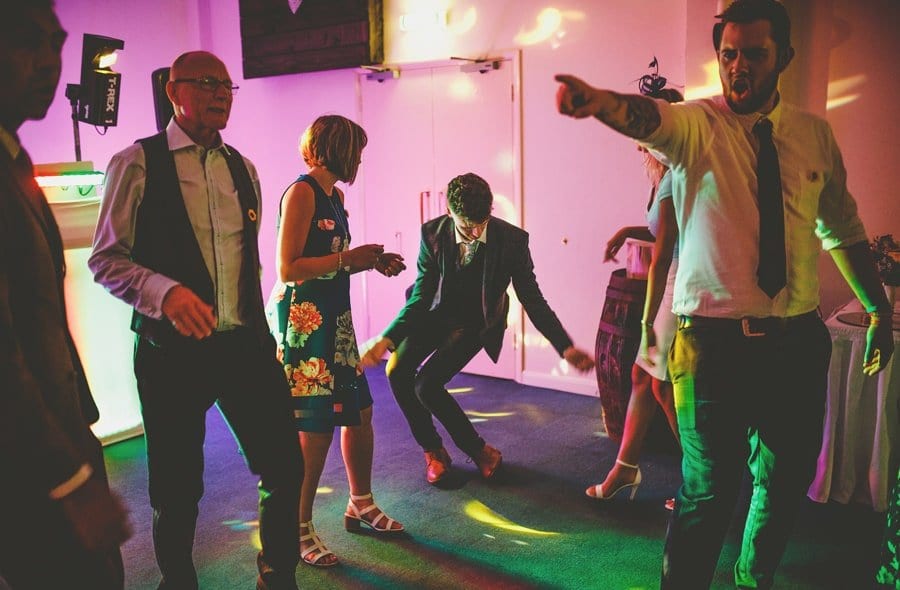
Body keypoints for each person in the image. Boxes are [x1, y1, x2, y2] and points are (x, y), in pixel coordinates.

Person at [556, 0, 894, 588]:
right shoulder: (696, 125)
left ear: (784, 57)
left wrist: (878, 310)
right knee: (708, 489)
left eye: (754, 55)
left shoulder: (814, 135)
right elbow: (649, 118)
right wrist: (601, 104)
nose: (737, 67)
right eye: (728, 54)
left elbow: (843, 232)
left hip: (796, 342)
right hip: (710, 347)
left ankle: (752, 578)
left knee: (783, 481)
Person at [89, 51, 303, 590]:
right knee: (177, 488)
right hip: (171, 353)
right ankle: (177, 582)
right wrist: (165, 293)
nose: (221, 94)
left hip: (244, 349)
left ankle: (278, 575)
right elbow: (106, 260)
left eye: (228, 85)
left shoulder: (243, 168)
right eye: (208, 83)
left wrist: (264, 333)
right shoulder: (136, 162)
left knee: (284, 466)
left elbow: (245, 264)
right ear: (173, 91)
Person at [0, 2, 132, 588]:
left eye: (56, 45)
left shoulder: (13, 156)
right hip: (32, 465)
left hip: (60, 435)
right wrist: (68, 480)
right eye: (28, 43)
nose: (49, 64)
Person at [360, 172, 595, 485]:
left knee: (427, 385)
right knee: (397, 371)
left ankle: (479, 450)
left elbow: (532, 298)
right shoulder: (432, 232)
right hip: (432, 313)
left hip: (476, 322)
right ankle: (433, 451)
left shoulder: (513, 240)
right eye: (466, 224)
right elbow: (421, 296)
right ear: (449, 213)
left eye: (481, 222)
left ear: (490, 211)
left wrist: (564, 346)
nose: (474, 231)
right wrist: (387, 337)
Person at [268, 114, 407, 568]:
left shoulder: (335, 196)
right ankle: (298, 526)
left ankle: (360, 503)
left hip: (336, 321)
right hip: (306, 324)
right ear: (338, 150)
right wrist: (349, 258)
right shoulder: (302, 192)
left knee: (360, 413)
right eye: (358, 152)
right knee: (314, 429)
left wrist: (372, 262)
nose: (361, 161)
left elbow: (330, 258)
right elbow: (288, 268)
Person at [589, 86, 682, 507]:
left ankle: (702, 478)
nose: (636, 140)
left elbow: (663, 256)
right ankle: (625, 468)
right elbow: (663, 230)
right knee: (645, 379)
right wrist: (628, 231)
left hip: (679, 289)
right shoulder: (667, 173)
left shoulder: (677, 174)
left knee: (661, 387)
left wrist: (645, 321)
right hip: (675, 283)